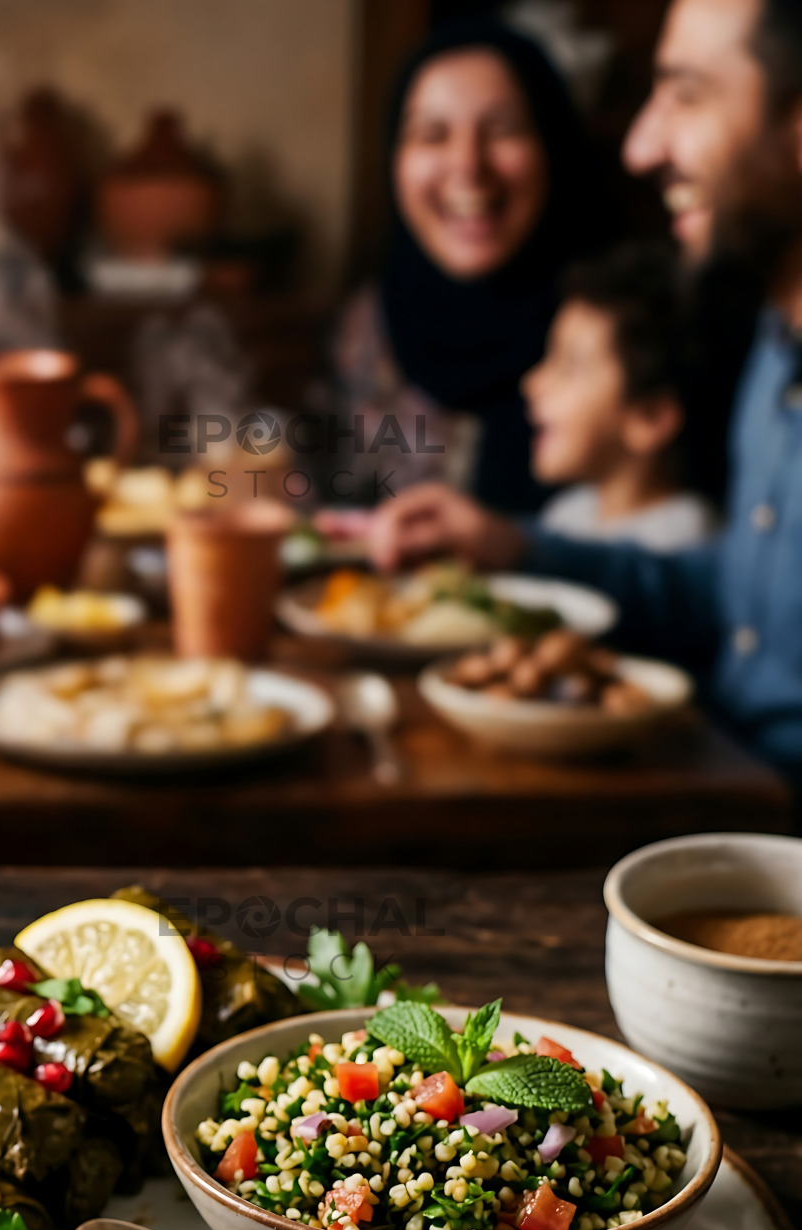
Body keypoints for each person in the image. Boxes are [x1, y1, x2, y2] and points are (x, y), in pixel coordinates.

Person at [368, 0, 802, 781]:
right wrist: (519, 547)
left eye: (688, 94)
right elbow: (739, 605)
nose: (640, 145)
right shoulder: (778, 344)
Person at [331, 20, 612, 513]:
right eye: (432, 135)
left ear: (554, 147)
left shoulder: (619, 328)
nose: (467, 165)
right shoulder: (367, 329)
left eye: (503, 130)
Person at [526, 244, 715, 553]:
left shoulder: (686, 540)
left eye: (569, 366)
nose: (533, 383)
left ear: (651, 417)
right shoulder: (564, 517)